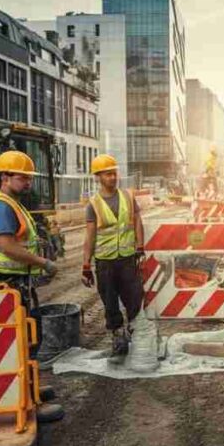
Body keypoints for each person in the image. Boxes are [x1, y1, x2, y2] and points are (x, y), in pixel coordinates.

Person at [0, 150, 63, 422]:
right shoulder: (2, 206)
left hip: (15, 284)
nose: (28, 183)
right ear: (5, 177)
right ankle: (27, 403)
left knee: (27, 339)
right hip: (6, 287)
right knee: (19, 343)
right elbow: (7, 246)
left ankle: (30, 389)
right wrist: (42, 261)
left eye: (28, 178)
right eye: (22, 178)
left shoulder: (11, 203)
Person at [81, 154, 145, 363]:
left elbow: (137, 221)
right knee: (110, 303)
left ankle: (138, 337)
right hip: (105, 262)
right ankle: (118, 340)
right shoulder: (94, 204)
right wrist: (86, 264)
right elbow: (90, 236)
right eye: (108, 174)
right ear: (98, 177)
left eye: (114, 173)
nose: (113, 177)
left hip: (127, 258)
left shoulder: (127, 196)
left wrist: (140, 246)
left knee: (134, 299)